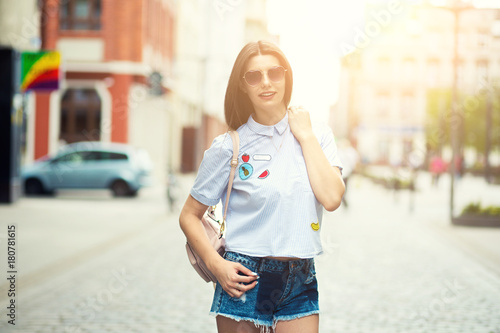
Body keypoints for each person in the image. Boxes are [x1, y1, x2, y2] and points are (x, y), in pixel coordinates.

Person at [179, 40, 345, 333]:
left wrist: (304, 135)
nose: (266, 83)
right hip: (243, 276)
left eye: (274, 73)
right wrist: (216, 266)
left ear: (286, 76)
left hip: (300, 276)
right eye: (254, 76)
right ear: (243, 85)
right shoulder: (229, 146)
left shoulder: (317, 135)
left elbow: (331, 198)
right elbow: (189, 215)